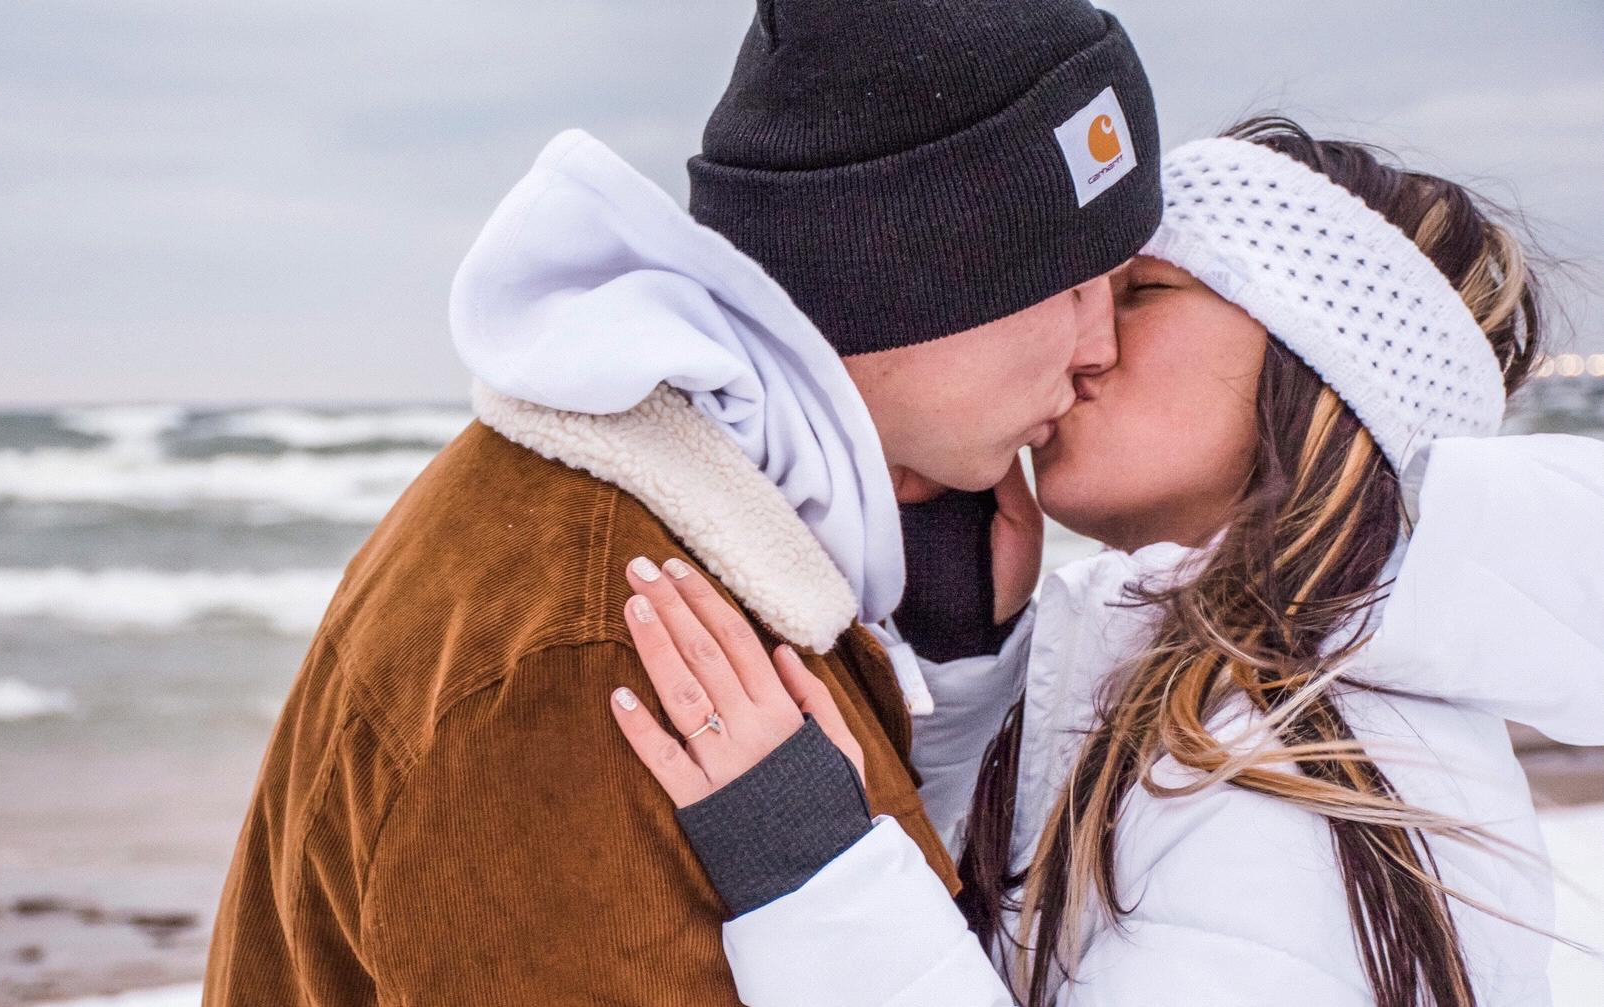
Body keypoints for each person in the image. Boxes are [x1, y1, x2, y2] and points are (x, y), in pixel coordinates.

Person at [202, 1, 1162, 1003]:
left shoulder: (714, 530)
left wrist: (946, 654)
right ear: (907, 276)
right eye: (1073, 286)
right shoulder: (605, 646)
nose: (1100, 349)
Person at [608, 118, 1604, 1005]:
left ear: (1324, 362)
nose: (1080, 344)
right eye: (1073, 294)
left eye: (1140, 292)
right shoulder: (1196, 688)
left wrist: (813, 870)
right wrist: (966, 673)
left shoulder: (1319, 777)